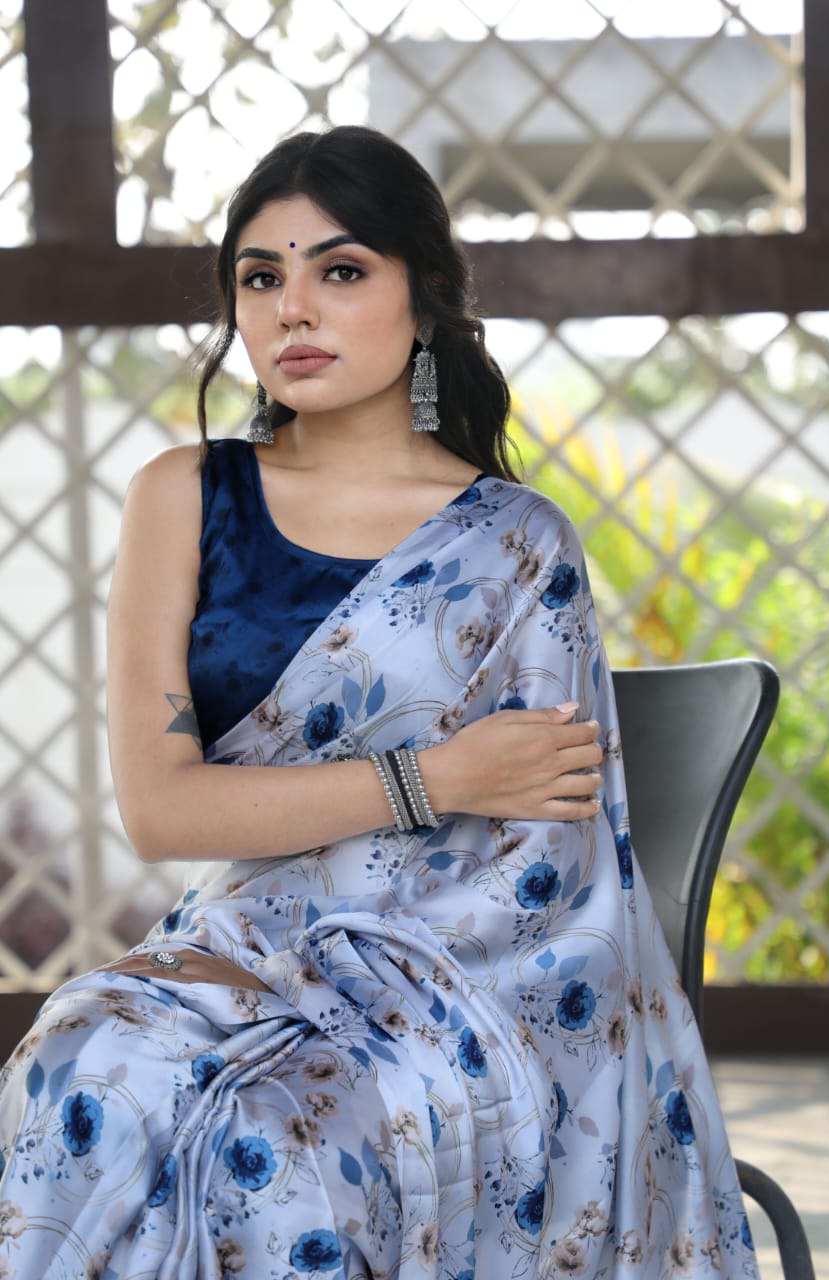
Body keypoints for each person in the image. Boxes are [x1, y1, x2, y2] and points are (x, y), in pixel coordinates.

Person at [0, 125, 759, 1280]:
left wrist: (379, 980)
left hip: (457, 994)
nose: (292, 309)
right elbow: (161, 810)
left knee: (276, 1136)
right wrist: (433, 778)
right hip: (237, 947)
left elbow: (548, 874)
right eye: (261, 277)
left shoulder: (516, 543)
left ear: (427, 292)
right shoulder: (188, 496)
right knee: (82, 1056)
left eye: (341, 270)